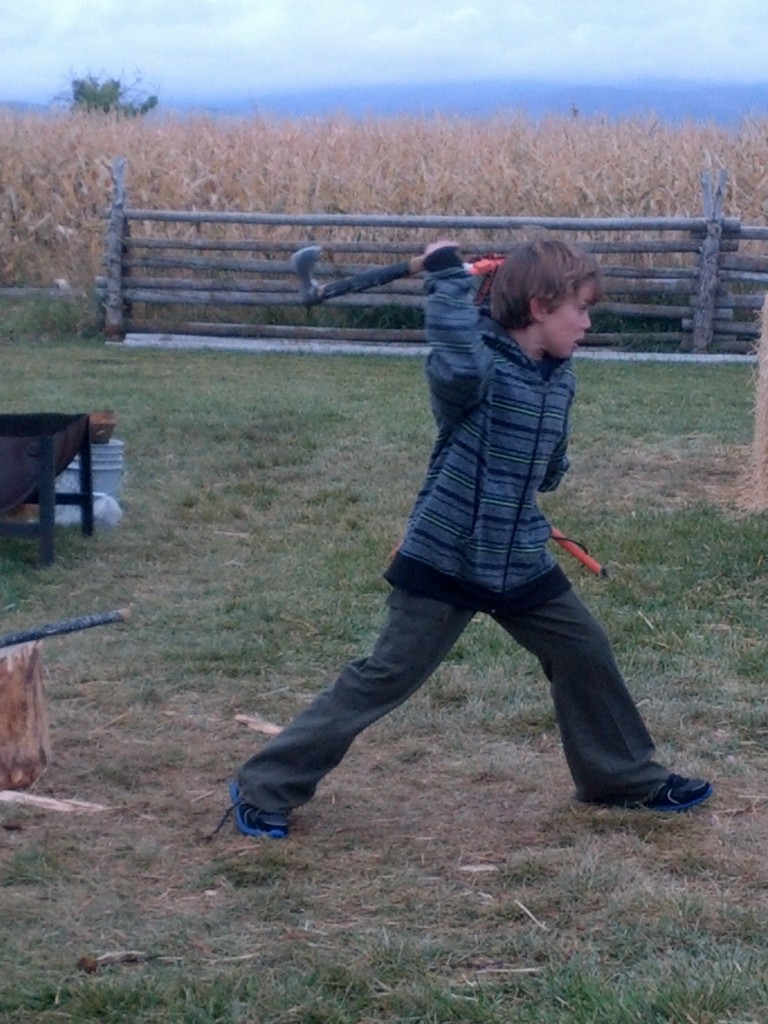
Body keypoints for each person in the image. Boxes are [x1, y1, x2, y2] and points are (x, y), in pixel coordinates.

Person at [222, 237, 713, 840]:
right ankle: (264, 786)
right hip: (447, 556)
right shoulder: (476, 367)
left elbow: (549, 460)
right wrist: (447, 283)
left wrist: (548, 468)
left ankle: (619, 777)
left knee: (583, 649)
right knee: (385, 676)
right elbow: (454, 357)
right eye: (581, 309)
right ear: (539, 307)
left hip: (517, 556)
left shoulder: (559, 377)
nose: (588, 323)